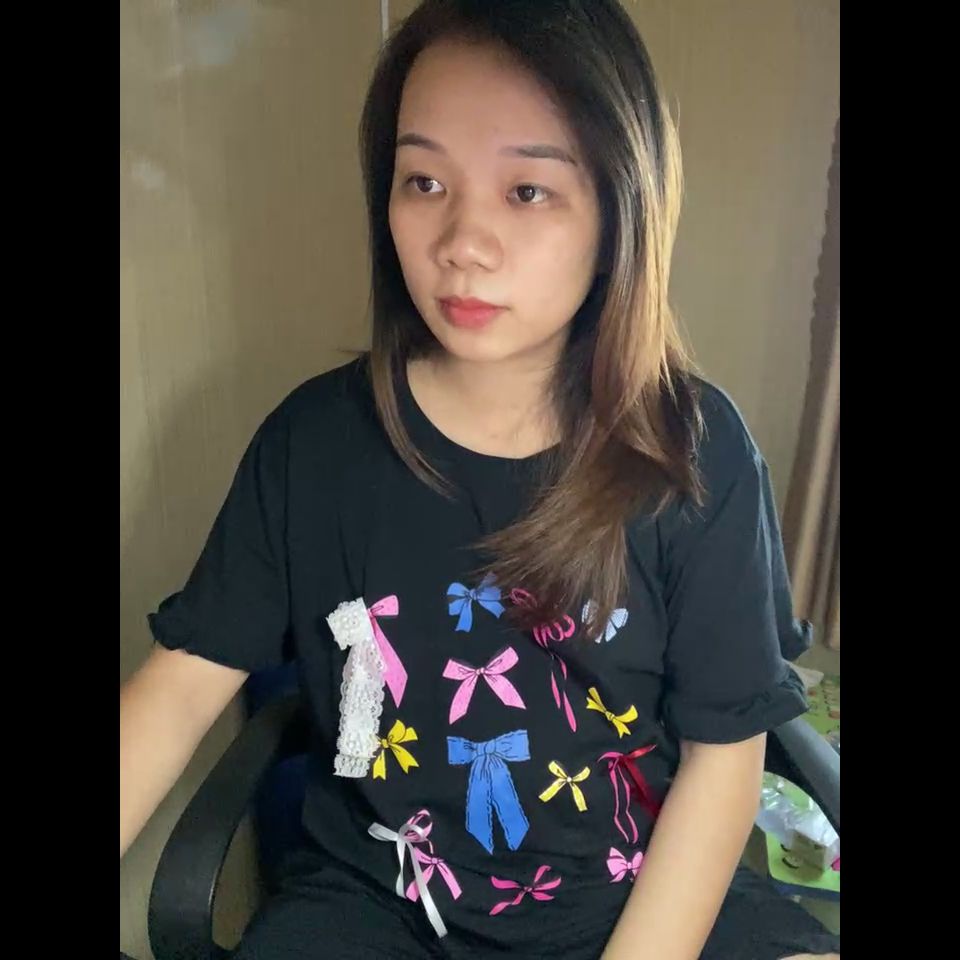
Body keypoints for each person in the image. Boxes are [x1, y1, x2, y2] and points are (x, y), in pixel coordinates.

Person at [120, 2, 840, 957]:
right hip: (379, 904)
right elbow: (181, 687)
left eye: (528, 190)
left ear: (618, 209)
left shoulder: (693, 451)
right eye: (424, 181)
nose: (462, 239)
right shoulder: (314, 444)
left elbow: (724, 756)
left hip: (641, 899)